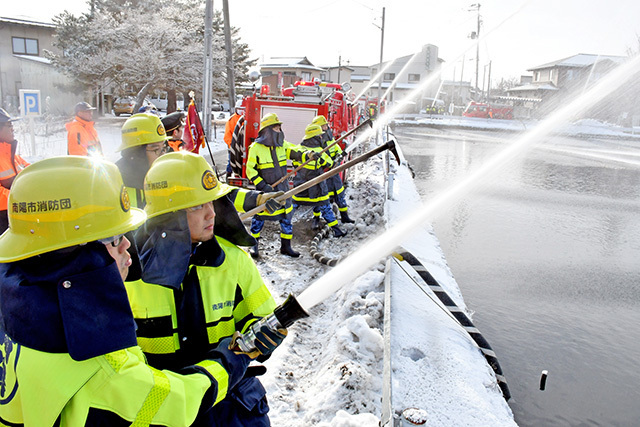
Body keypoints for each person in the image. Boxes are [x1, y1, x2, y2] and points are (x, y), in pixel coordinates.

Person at [0, 156, 254, 425]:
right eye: (113, 239)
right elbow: (177, 403)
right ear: (74, 253)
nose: (127, 248)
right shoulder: (100, 361)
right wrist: (228, 361)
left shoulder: (14, 311)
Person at [126, 151, 287, 426]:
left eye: (211, 202)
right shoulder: (130, 273)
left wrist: (266, 337)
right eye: (196, 206)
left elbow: (260, 317)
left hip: (232, 407)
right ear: (168, 214)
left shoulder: (233, 260)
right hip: (165, 411)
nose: (211, 212)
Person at [245, 113, 316, 258]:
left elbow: (296, 151)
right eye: (277, 128)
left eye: (279, 128)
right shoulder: (256, 148)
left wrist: (309, 154)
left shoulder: (282, 145)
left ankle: (286, 247)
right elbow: (250, 170)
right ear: (268, 131)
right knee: (259, 217)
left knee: (286, 216)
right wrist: (263, 186)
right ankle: (253, 245)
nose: (280, 131)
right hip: (266, 191)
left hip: (283, 189)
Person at [292, 123, 346, 237]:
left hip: (301, 185)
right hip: (317, 187)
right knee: (325, 207)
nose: (322, 137)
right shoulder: (320, 151)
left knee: (293, 207)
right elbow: (330, 164)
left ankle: (284, 227)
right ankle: (337, 231)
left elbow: (294, 163)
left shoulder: (299, 148)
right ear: (315, 137)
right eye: (320, 136)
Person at [311, 115, 355, 225]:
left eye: (326, 125)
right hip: (323, 175)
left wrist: (338, 156)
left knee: (340, 194)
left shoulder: (330, 140)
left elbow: (337, 150)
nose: (326, 127)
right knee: (319, 199)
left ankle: (345, 217)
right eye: (324, 126)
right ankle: (316, 219)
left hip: (334, 174)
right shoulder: (315, 143)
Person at [0, 108, 29, 234]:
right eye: (9, 125)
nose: (13, 129)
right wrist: (19, 200)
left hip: (15, 214)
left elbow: (32, 171)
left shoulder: (10, 154)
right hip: (3, 219)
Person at [224, 106, 244, 175]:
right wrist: (233, 146)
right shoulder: (231, 120)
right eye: (240, 109)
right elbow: (227, 135)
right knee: (231, 161)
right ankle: (228, 174)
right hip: (233, 146)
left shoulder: (249, 118)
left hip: (244, 147)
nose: (242, 111)